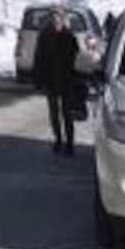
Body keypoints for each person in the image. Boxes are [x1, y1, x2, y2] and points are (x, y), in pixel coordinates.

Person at [33, 8, 82, 157]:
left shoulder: (69, 36)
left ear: (62, 20)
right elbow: (38, 58)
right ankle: (58, 140)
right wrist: (38, 80)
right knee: (54, 113)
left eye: (58, 19)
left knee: (67, 113)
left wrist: (77, 77)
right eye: (53, 19)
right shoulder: (44, 36)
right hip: (50, 80)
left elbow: (76, 57)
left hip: (67, 80)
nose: (55, 22)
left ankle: (70, 144)